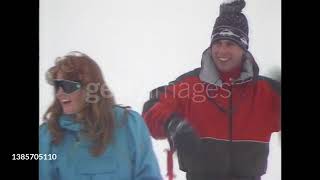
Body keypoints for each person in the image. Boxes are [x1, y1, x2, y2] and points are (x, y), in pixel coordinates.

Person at [142, 0, 281, 180]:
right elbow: (152, 110)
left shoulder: (265, 92)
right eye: (218, 43)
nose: (222, 50)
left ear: (243, 48)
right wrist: (172, 125)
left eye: (230, 44)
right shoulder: (190, 85)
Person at [39, 51, 162, 180]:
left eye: (66, 86)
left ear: (90, 88)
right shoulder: (48, 135)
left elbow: (148, 175)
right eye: (57, 86)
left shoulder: (129, 125)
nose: (59, 93)